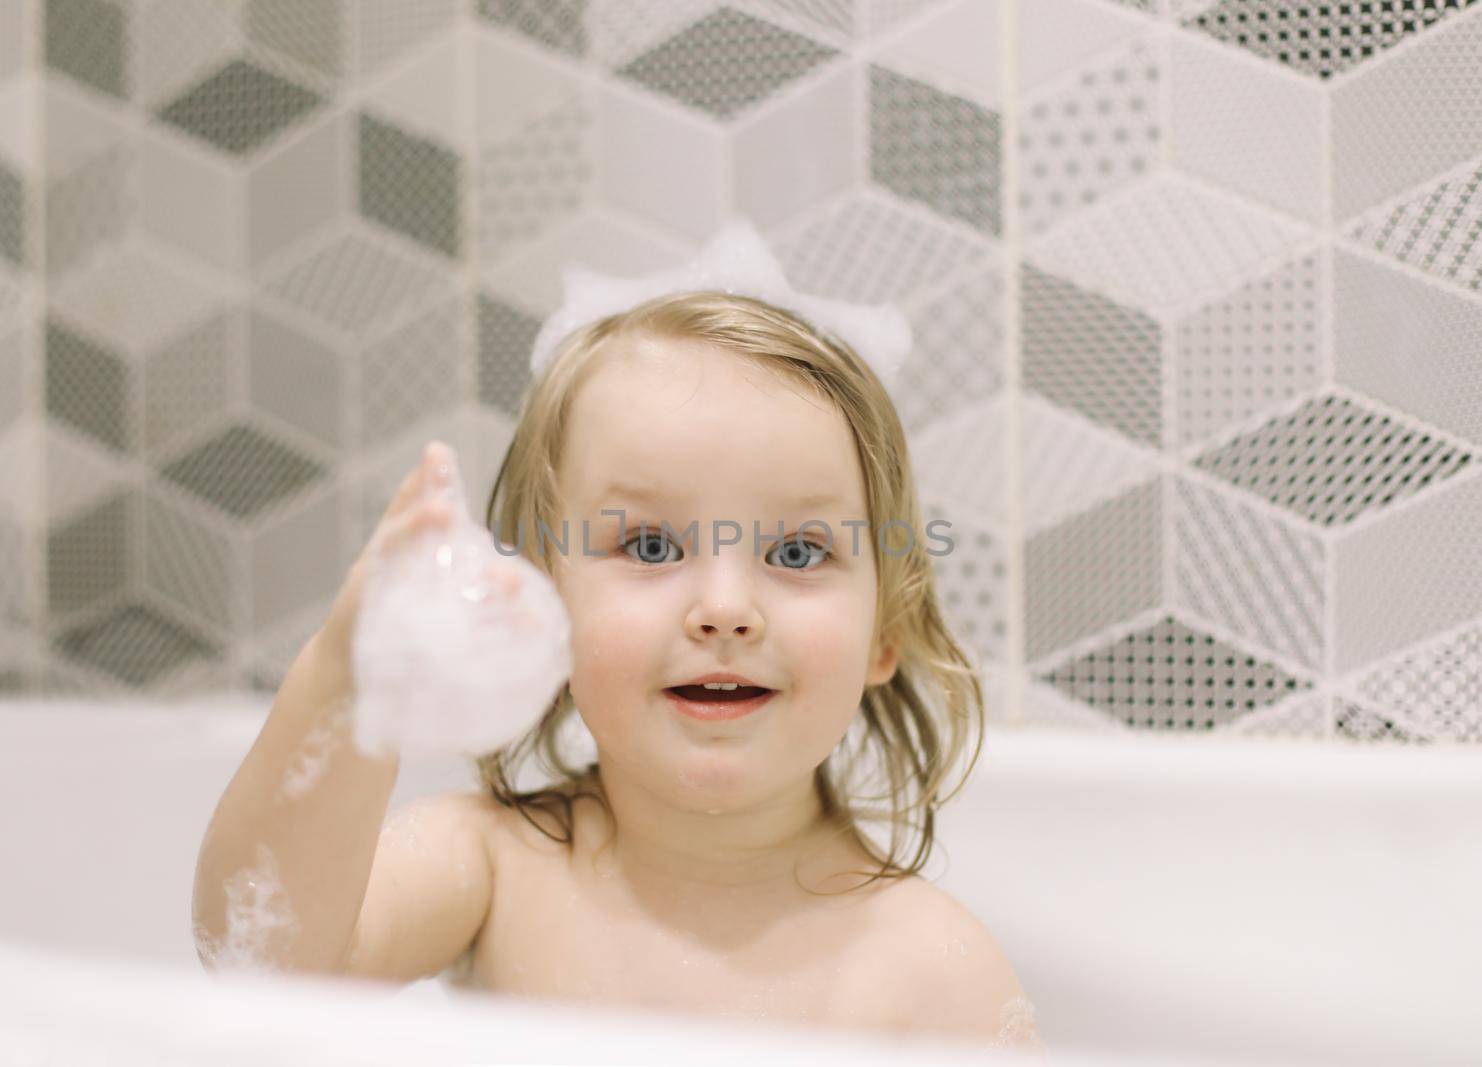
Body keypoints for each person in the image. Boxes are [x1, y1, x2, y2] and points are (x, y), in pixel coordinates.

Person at [192, 231, 1044, 1056]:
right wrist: (347, 677)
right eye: (649, 547)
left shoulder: (933, 972)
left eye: (796, 552)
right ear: (546, 606)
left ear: (884, 632)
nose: (724, 609)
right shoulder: (491, 868)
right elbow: (270, 965)